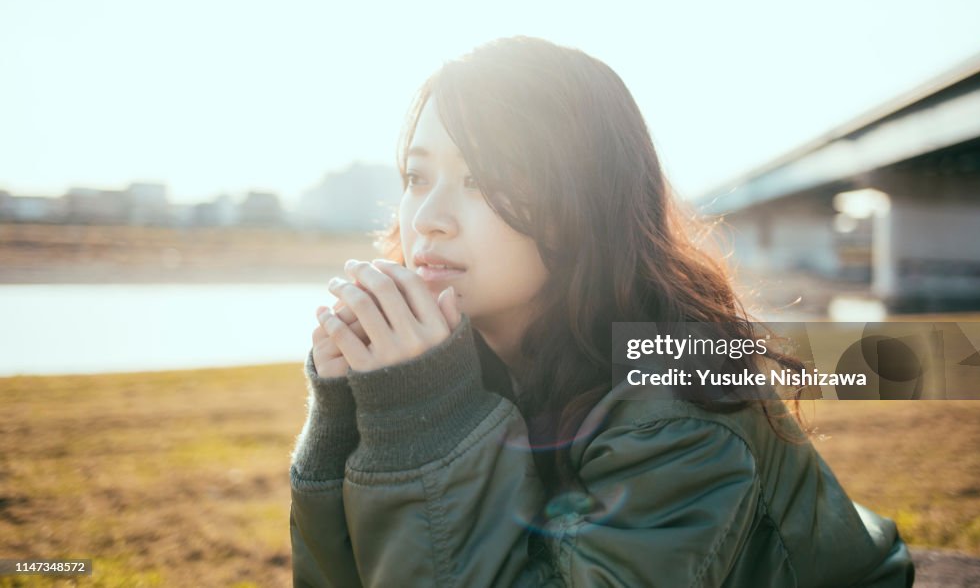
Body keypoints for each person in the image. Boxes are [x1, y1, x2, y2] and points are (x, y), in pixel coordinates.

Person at [289, 37, 915, 587]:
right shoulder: (463, 356)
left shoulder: (677, 399)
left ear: (584, 201)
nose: (428, 219)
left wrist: (426, 422)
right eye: (417, 178)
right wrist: (342, 425)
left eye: (485, 180)